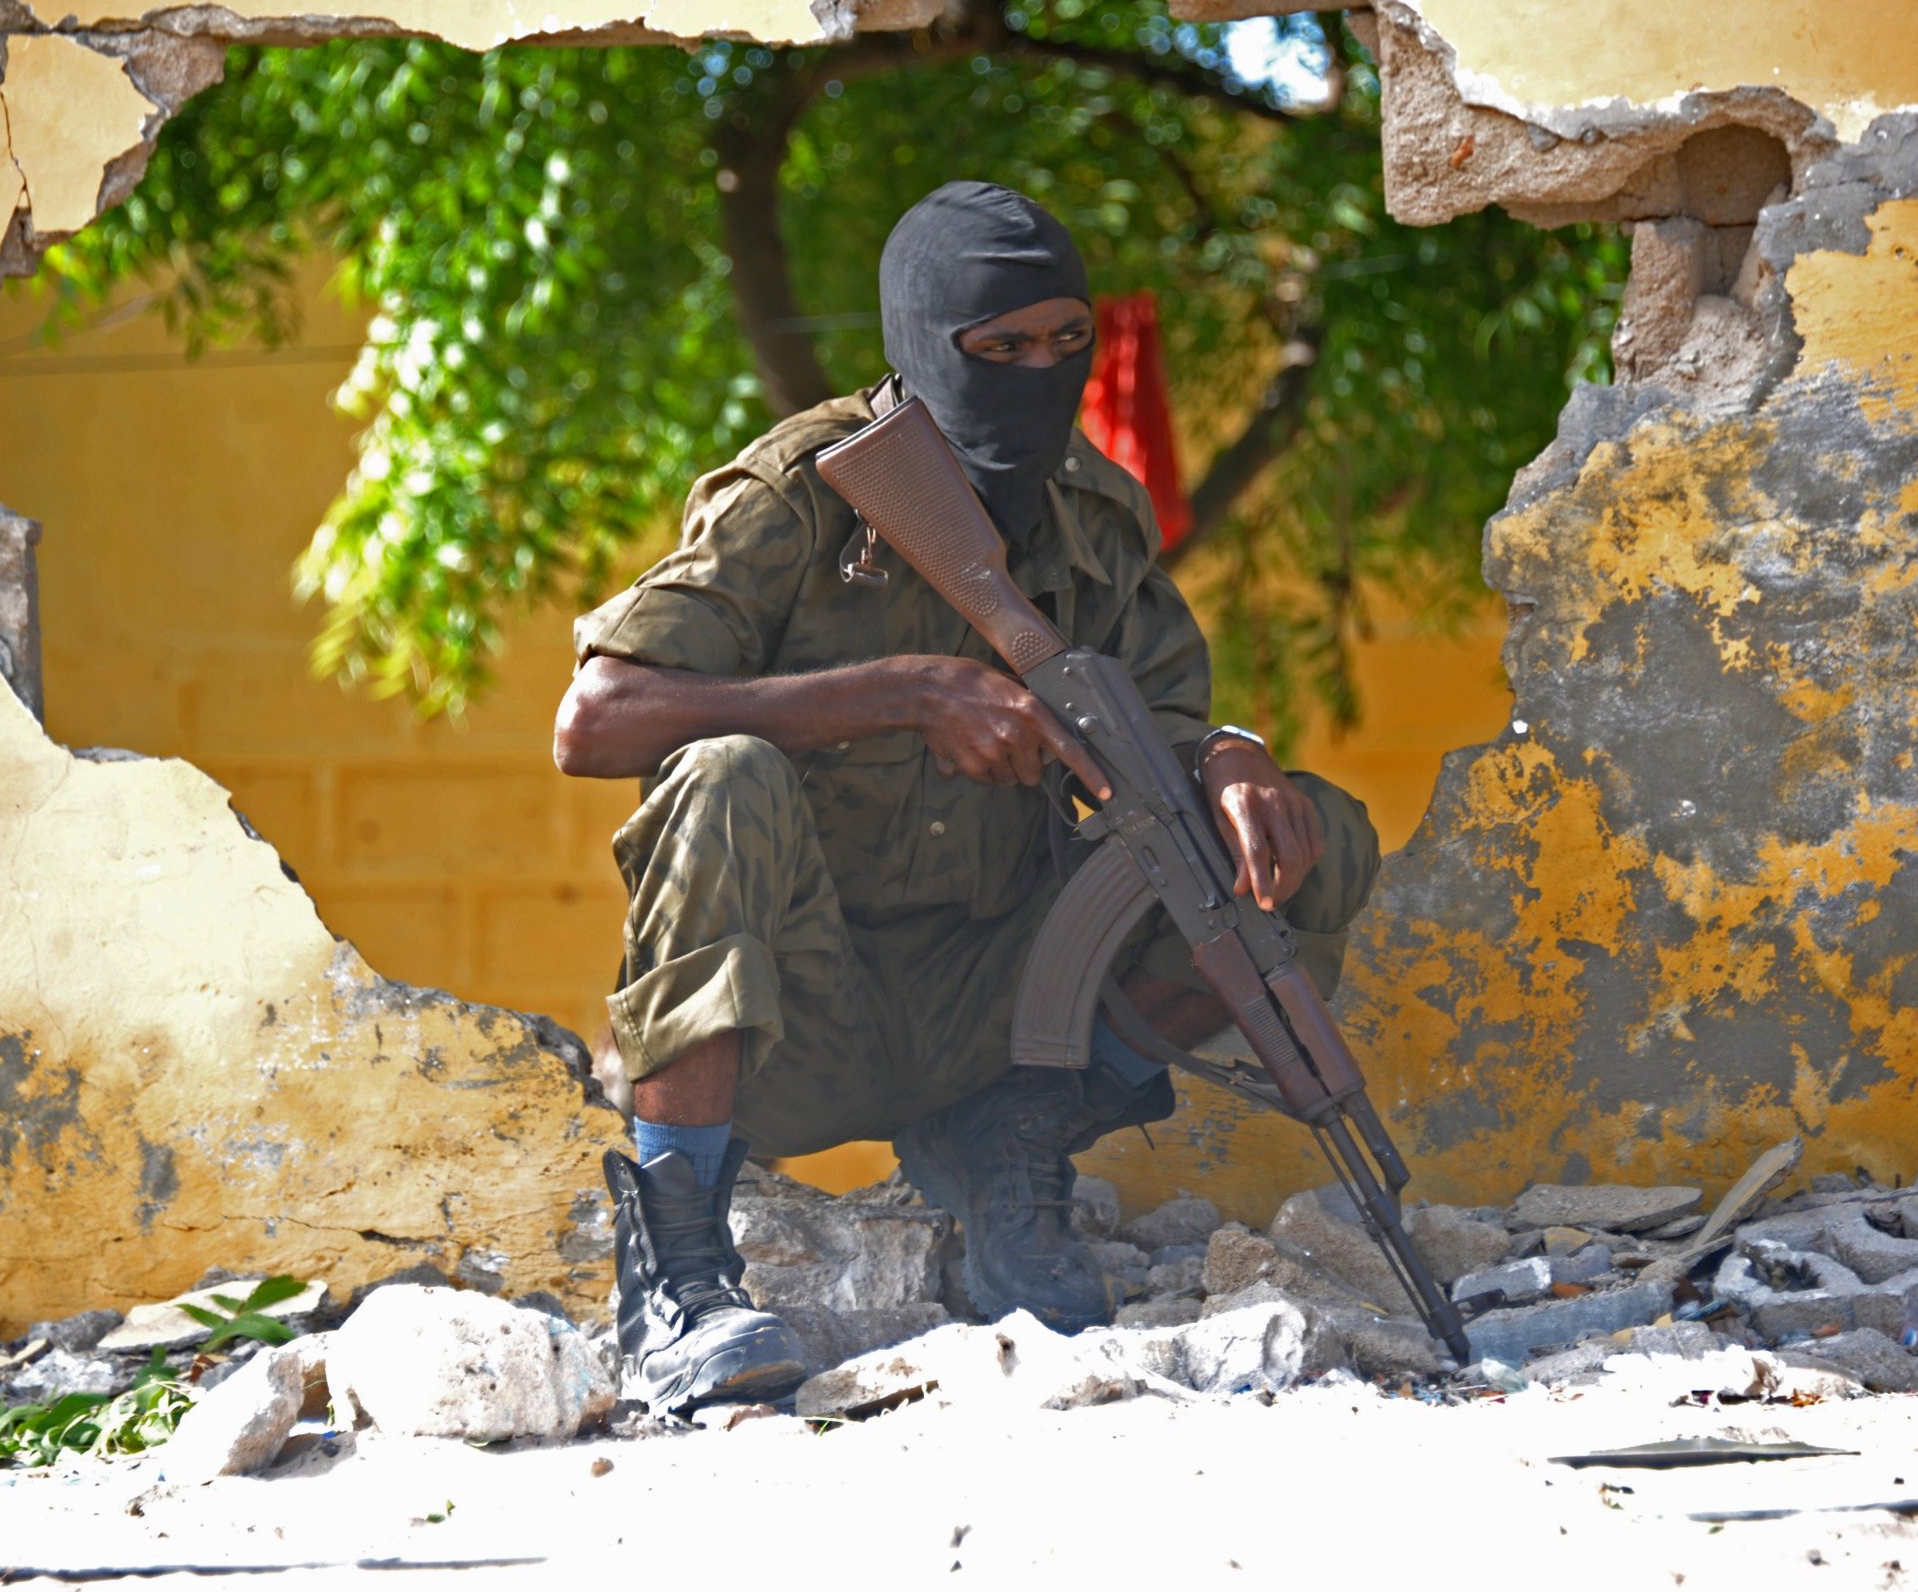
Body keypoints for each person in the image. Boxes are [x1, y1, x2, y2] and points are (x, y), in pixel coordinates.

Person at [553, 181, 1380, 1414]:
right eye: (997, 349)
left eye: (1063, 343)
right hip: (789, 1015)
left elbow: (1163, 722)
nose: (1036, 373)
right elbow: (597, 718)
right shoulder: (800, 492)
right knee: (723, 772)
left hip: (996, 1014)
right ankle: (679, 1274)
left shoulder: (1089, 514)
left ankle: (1009, 1144)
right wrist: (899, 690)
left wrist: (1234, 755)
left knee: (1308, 836)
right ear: (921, 345)